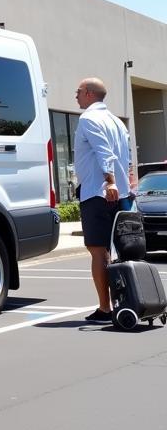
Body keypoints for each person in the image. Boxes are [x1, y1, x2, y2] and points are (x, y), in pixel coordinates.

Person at [73, 76, 134, 322]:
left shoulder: (88, 118)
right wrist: (122, 184)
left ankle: (105, 308)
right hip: (120, 193)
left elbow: (103, 151)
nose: (75, 95)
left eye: (78, 91)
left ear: (88, 93)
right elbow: (126, 156)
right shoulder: (117, 122)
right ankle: (130, 300)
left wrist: (109, 181)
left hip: (99, 192)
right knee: (125, 249)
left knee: (98, 251)